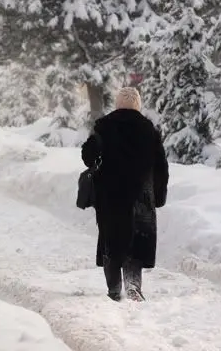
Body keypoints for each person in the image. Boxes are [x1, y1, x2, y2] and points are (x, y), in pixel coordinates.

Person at [81, 87, 169, 302]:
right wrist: (158, 195)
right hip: (141, 195)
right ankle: (132, 284)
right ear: (137, 104)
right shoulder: (148, 129)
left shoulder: (104, 126)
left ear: (118, 103)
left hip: (110, 196)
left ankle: (113, 288)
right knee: (136, 241)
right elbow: (161, 167)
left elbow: (87, 156)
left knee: (112, 239)